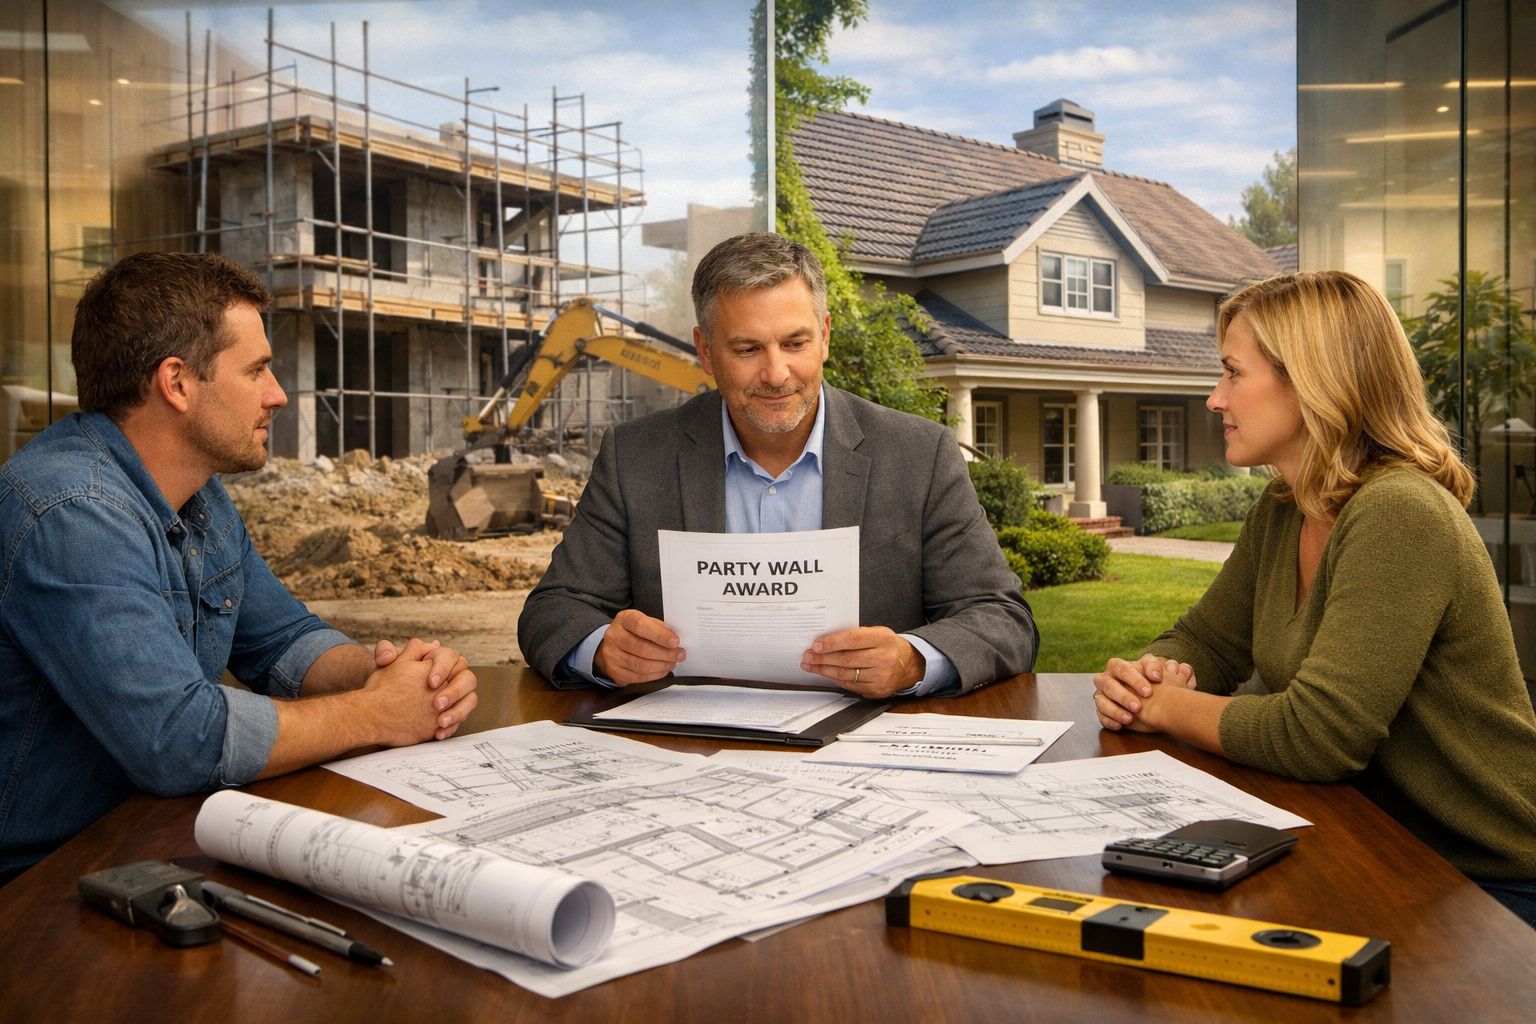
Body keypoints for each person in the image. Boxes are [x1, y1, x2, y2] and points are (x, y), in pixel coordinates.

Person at [0, 252, 479, 885]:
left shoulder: (199, 495)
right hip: (41, 887)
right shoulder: (72, 513)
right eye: (256, 370)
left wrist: (393, 675)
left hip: (146, 843)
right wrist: (375, 714)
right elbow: (178, 740)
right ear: (177, 383)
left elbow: (282, 640)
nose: (277, 395)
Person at [1093, 270, 1536, 925]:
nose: (1215, 399)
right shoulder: (1283, 508)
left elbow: (1317, 737)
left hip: (1488, 882)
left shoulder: (1400, 512)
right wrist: (1147, 676)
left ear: (1311, 382)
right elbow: (1208, 640)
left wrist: (1166, 706)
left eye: (1232, 374)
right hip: (1370, 843)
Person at [519, 232, 1036, 698]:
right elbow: (553, 609)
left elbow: (1002, 617)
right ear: (705, 350)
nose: (776, 373)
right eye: (747, 348)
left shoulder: (919, 455)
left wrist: (913, 660)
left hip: (860, 747)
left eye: (795, 343)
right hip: (690, 747)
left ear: (825, 336)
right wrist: (601, 649)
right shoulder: (635, 456)